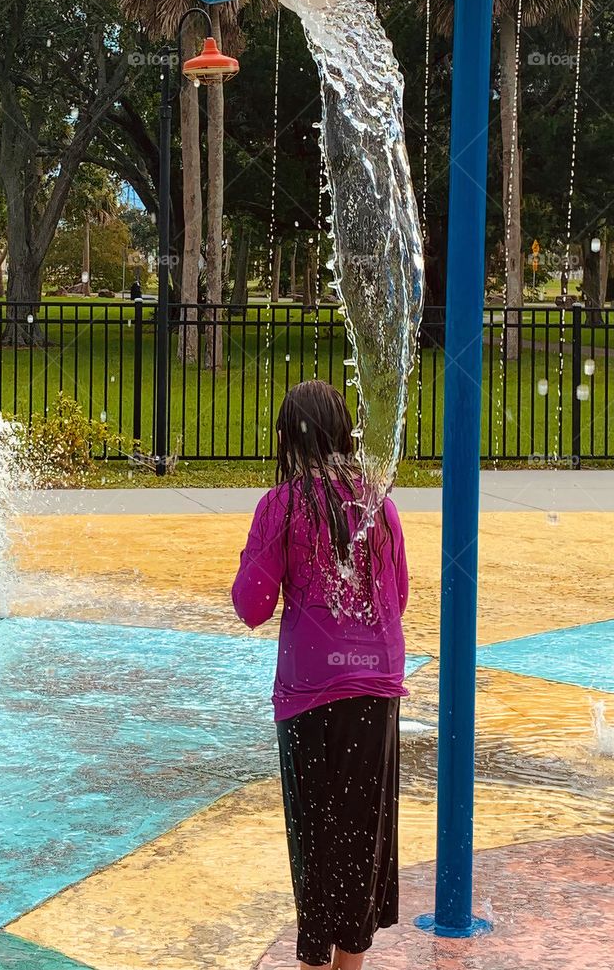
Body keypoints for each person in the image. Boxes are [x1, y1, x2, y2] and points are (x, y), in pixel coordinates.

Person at [232, 380, 409, 970]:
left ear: (286, 438)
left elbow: (252, 605)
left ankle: (310, 961)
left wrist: (254, 558)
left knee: (315, 836)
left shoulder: (280, 507)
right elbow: (397, 597)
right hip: (376, 684)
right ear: (344, 433)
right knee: (362, 833)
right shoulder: (379, 505)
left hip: (309, 694)